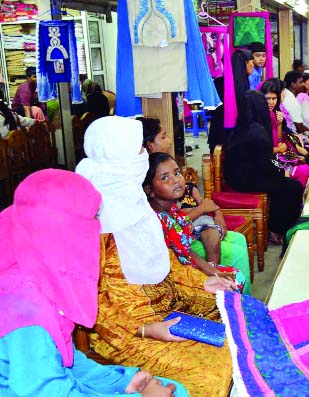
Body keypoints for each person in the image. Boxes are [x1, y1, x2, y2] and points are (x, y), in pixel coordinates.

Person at [75, 116, 237, 397]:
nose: (143, 156)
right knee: (214, 372)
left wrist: (204, 283)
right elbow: (92, 304)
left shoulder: (135, 201)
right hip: (126, 332)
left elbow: (167, 261)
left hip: (168, 300)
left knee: (234, 311)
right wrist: (148, 329)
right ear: (119, 158)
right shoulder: (95, 222)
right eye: (138, 149)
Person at [0, 169, 188, 397]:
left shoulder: (34, 268)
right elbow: (45, 390)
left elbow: (64, 357)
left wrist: (123, 381)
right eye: (88, 222)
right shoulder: (25, 307)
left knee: (173, 388)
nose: (93, 233)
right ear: (59, 229)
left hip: (49, 383)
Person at [144, 152, 251, 294]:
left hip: (189, 269)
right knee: (235, 278)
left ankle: (243, 311)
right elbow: (179, 263)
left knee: (235, 275)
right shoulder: (158, 220)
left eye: (176, 173)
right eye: (165, 178)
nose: (175, 180)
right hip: (180, 280)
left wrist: (212, 270)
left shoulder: (172, 209)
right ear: (149, 190)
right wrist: (211, 273)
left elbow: (188, 251)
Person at [224, 90, 303, 244]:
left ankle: (274, 225)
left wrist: (279, 170)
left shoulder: (241, 125)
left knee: (283, 182)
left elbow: (261, 162)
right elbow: (264, 164)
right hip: (246, 179)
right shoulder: (257, 131)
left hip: (238, 175)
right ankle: (277, 229)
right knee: (293, 187)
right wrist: (281, 172)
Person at [261, 79, 309, 188]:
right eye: (267, 99)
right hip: (266, 160)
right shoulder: (261, 116)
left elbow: (278, 139)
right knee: (303, 169)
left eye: (274, 98)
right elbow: (261, 150)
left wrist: (279, 123)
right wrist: (279, 149)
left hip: (275, 154)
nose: (271, 102)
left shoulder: (274, 113)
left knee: (306, 163)